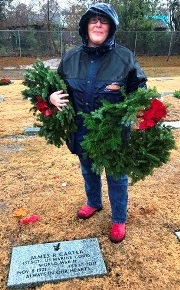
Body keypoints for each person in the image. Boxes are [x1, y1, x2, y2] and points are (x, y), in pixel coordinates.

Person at [49, 3, 147, 243]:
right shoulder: (71, 57)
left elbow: (139, 88)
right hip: (82, 129)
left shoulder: (124, 57)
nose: (98, 25)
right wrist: (51, 96)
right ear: (85, 27)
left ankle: (118, 219)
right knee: (88, 170)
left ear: (111, 28)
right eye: (93, 20)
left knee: (116, 175)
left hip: (114, 132)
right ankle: (94, 202)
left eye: (104, 21)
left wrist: (136, 110)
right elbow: (54, 85)